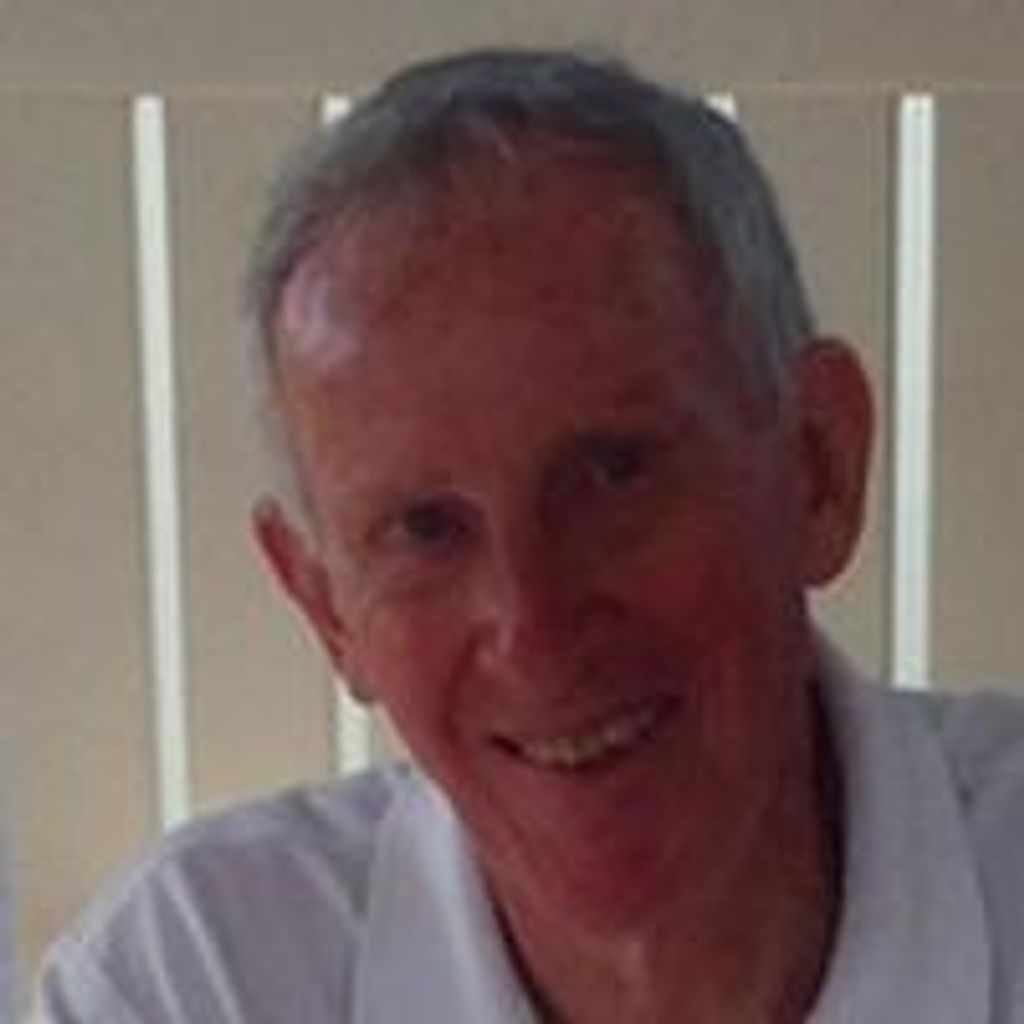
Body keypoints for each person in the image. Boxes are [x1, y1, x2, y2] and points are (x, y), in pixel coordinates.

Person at [33, 48, 1024, 1022]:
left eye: (612, 475)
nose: (534, 629)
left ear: (817, 467)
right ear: (327, 608)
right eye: (425, 529)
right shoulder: (190, 984)